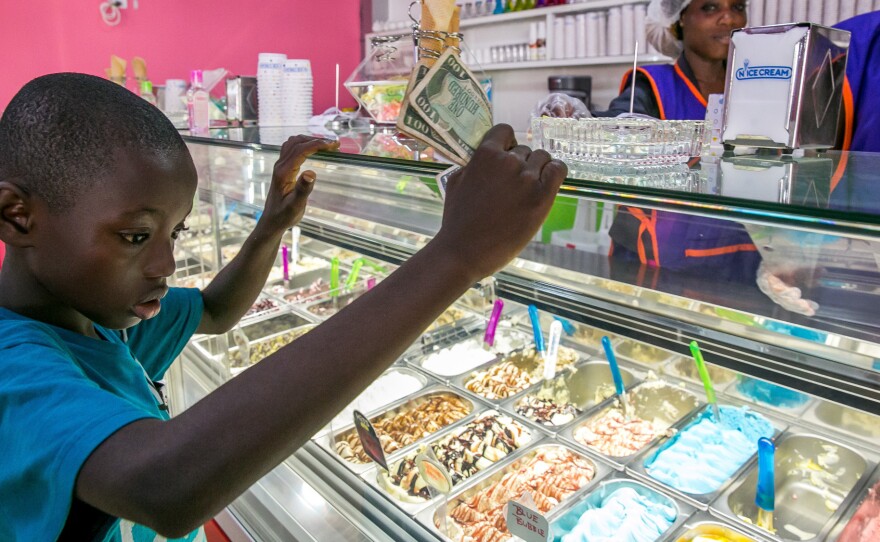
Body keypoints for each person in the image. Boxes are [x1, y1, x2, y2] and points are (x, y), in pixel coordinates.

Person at [0, 73, 567, 541]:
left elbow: (217, 311)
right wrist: (455, 258)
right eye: (135, 237)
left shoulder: (97, 323)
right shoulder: (15, 369)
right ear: (17, 214)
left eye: (177, 233)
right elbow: (165, 487)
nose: (166, 265)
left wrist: (271, 225)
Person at [597, 0, 760, 282]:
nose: (728, 19)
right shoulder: (653, 85)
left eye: (738, 7)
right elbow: (616, 128)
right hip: (657, 270)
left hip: (745, 264)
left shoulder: (759, 89)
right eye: (710, 8)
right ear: (679, 18)